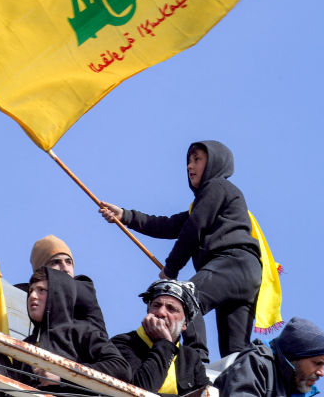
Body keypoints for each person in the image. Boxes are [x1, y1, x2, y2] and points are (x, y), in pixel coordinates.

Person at [100, 141, 262, 360]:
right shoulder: (208, 201)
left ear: (215, 163)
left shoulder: (217, 187)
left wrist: (171, 269)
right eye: (189, 161)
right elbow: (169, 225)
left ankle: (197, 362)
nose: (189, 166)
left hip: (232, 262)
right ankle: (239, 378)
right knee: (234, 352)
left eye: (197, 159)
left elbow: (194, 228)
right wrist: (125, 216)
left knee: (185, 299)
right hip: (246, 273)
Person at [24, 267, 131, 386]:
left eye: (41, 290)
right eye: (31, 290)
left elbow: (121, 368)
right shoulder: (24, 344)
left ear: (58, 295)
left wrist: (63, 375)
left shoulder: (82, 332)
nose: (32, 296)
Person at [111, 280, 208, 395]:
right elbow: (140, 392)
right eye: (156, 305)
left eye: (171, 309)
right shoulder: (123, 343)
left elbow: (208, 393)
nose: (161, 312)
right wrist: (164, 343)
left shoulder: (190, 358)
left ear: (184, 324)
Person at [214, 317, 324, 397]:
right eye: (317, 363)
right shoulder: (256, 364)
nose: (322, 372)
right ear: (296, 357)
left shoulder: (298, 391)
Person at [27, 235, 106, 332]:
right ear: (41, 271)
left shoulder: (84, 289)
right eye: (55, 262)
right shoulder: (35, 297)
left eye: (69, 262)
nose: (65, 269)